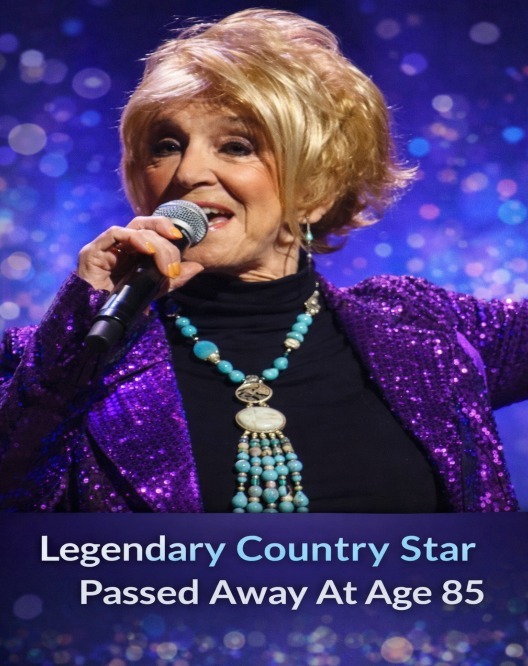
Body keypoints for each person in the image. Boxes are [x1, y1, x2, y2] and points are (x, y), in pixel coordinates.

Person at [0, 9, 525, 513]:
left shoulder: (422, 326)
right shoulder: (53, 360)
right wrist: (75, 334)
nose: (188, 173)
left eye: (236, 146)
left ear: (315, 188)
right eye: (167, 145)